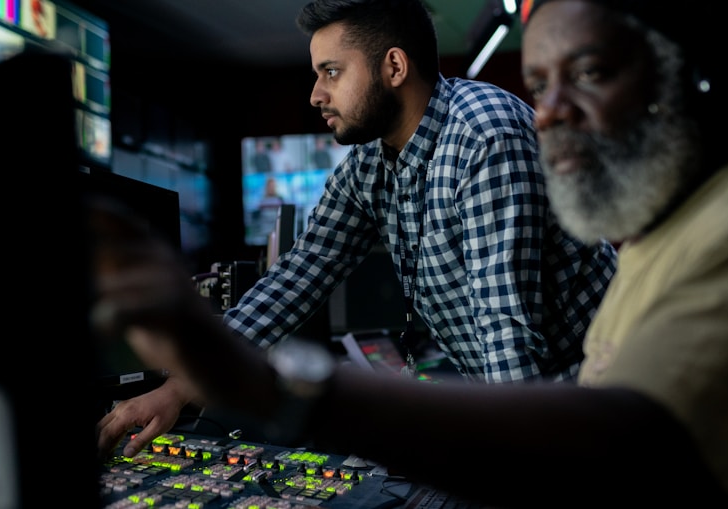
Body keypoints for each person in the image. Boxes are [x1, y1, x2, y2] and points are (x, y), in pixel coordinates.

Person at [89, 0, 728, 507]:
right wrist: (179, 385)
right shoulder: (669, 237)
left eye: (590, 74)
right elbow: (301, 271)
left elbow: (554, 381)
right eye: (540, 85)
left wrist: (290, 389)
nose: (545, 116)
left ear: (693, 81)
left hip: (544, 408)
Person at [96, 0, 617, 459]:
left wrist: (523, 469)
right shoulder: (371, 164)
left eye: (331, 72)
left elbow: (509, 332)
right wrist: (181, 386)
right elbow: (297, 278)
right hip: (525, 405)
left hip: (592, 401)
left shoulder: (483, 136)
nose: (316, 95)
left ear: (393, 66)